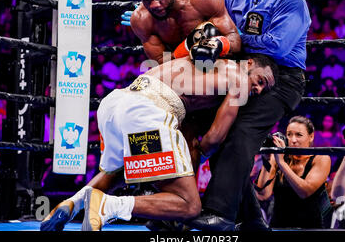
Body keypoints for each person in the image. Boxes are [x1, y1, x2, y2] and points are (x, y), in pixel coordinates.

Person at [40, 54, 278, 231]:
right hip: (147, 111)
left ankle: (73, 202)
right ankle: (108, 205)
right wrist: (199, 155)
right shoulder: (238, 78)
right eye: (260, 79)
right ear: (248, 63)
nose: (256, 88)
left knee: (118, 170)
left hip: (116, 103)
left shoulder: (201, 64)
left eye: (262, 88)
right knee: (189, 206)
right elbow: (215, 137)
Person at [189, 0, 310, 231]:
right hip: (238, 74)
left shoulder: (291, 0)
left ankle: (220, 213)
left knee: (241, 133)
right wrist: (158, 18)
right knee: (209, 131)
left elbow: (278, 47)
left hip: (280, 79)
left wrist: (232, 38)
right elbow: (201, 25)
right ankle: (252, 219)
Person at [126, 0, 242, 65]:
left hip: (217, 64)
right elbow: (161, 63)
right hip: (178, 74)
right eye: (146, 0)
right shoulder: (141, 19)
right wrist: (186, 50)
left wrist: (218, 45)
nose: (154, 5)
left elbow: (234, 41)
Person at [254, 116, 332, 228]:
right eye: (289, 134)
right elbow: (263, 195)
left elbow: (304, 192)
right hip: (279, 226)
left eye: (298, 135)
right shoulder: (278, 158)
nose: (293, 140)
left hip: (309, 227)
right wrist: (267, 160)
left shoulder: (321, 159)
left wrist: (281, 163)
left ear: (311, 137)